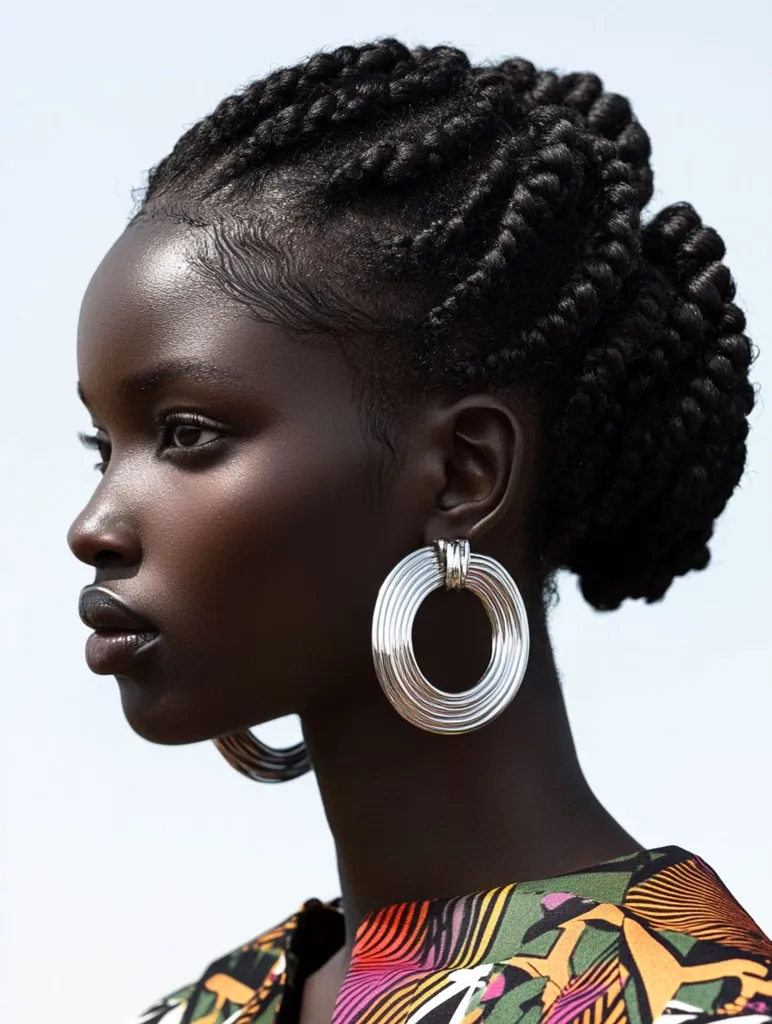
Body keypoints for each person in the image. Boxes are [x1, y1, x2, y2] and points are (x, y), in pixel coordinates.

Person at [67, 37, 769, 1024]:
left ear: (464, 471)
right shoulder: (202, 1011)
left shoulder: (697, 1003)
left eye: (186, 433)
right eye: (103, 445)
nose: (92, 525)